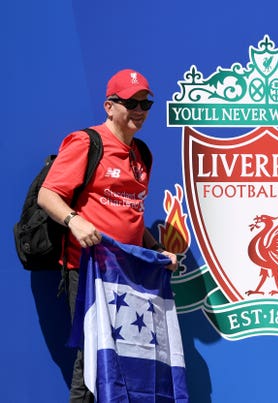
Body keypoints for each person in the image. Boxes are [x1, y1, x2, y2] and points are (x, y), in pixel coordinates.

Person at [37, 68, 178, 403]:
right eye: (132, 102)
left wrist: (157, 249)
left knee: (129, 358)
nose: (140, 111)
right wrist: (75, 220)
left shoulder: (142, 154)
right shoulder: (87, 142)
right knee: (93, 358)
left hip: (129, 275)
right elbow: (47, 196)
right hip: (90, 271)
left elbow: (130, 212)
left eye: (146, 103)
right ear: (109, 106)